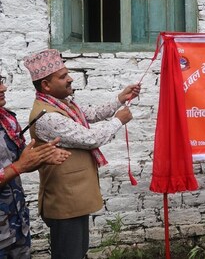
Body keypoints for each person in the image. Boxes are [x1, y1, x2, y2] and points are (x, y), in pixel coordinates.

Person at [23, 49, 141, 259]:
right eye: (63, 76)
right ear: (46, 85)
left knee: (77, 251)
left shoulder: (60, 105)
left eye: (67, 74)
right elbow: (90, 138)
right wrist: (118, 120)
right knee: (69, 254)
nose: (70, 79)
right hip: (65, 200)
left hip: (73, 197)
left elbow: (90, 114)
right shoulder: (47, 116)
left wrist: (119, 99)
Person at [0, 73, 70, 258]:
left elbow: (21, 161)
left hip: (15, 224)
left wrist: (41, 156)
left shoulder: (6, 119)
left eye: (0, 81)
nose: (3, 88)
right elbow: (18, 166)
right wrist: (19, 167)